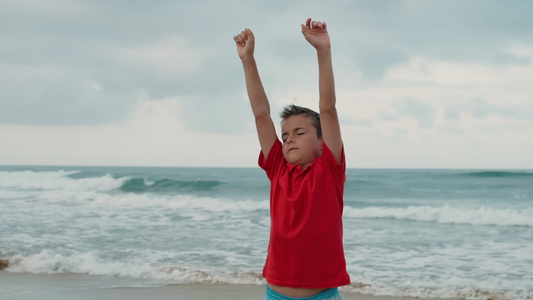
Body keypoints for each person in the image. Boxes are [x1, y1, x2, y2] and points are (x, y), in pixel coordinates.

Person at [234, 18, 350, 300]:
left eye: (299, 132)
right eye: (285, 136)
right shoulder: (277, 169)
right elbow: (261, 114)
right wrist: (247, 60)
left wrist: (323, 52)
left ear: (322, 142)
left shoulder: (329, 169)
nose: (289, 140)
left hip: (321, 295)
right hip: (276, 294)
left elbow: (328, 108)